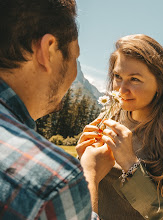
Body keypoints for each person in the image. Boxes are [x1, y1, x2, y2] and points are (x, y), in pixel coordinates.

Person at [0, 0, 114, 219]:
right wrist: (89, 172)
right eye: (75, 56)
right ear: (48, 50)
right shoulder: (55, 182)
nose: (74, 74)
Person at [76, 34, 163, 219]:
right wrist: (82, 161)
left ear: (160, 84)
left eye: (134, 79)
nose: (121, 90)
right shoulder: (109, 116)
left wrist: (131, 165)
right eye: (118, 76)